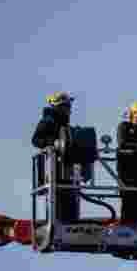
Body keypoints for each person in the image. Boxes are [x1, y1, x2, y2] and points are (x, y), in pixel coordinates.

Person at [32, 92, 79, 223]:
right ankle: (56, 225)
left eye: (69, 106)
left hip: (67, 170)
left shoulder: (65, 125)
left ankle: (70, 223)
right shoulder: (48, 121)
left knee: (69, 199)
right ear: (57, 107)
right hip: (53, 170)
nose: (69, 109)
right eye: (65, 106)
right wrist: (53, 143)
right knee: (56, 201)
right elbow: (36, 140)